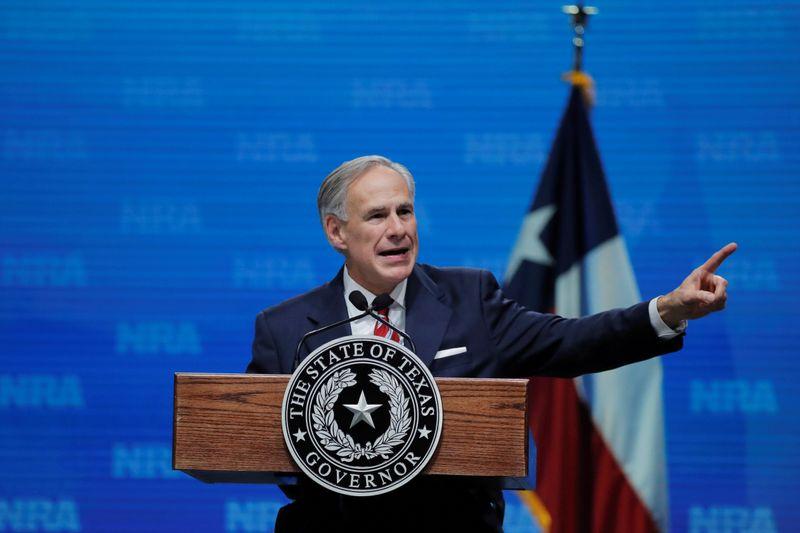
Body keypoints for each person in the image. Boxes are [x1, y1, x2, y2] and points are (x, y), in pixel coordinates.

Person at [247, 155, 736, 532]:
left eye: (405, 211)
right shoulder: (286, 328)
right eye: (377, 216)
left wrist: (667, 310)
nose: (398, 229)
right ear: (336, 231)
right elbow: (250, 441)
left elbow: (571, 341)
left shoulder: (470, 299)